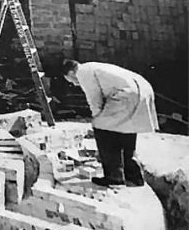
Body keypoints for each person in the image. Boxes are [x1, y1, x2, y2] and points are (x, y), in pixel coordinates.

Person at [62, 59, 158, 187]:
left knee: (101, 128)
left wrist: (97, 122)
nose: (74, 84)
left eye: (72, 81)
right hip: (143, 88)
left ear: (71, 73)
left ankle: (114, 177)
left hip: (127, 93)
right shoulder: (95, 66)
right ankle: (134, 177)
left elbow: (95, 101)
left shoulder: (83, 72)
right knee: (126, 129)